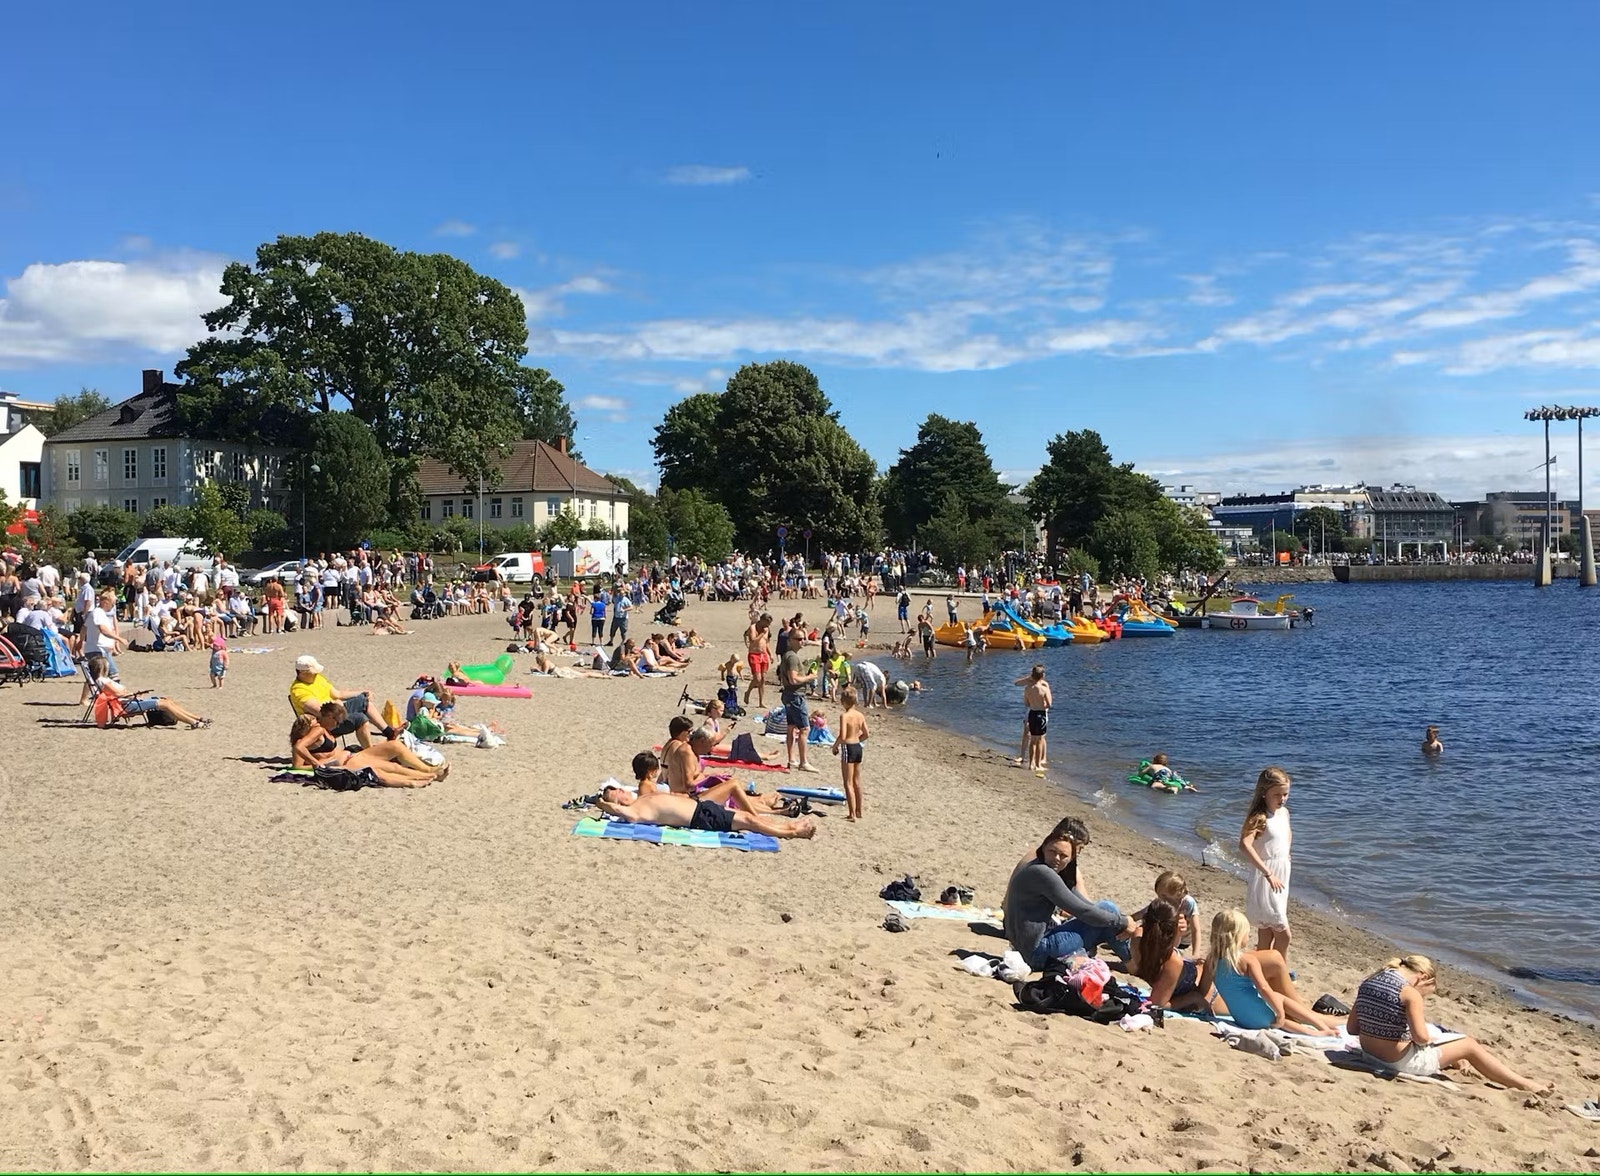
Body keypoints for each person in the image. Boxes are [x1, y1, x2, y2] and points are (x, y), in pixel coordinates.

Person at [1347, 954, 1548, 1091]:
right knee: (1469, 1044)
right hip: (1397, 1061)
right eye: (1427, 992)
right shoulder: (1409, 993)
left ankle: (1457, 1061)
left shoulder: (1369, 981)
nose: (1424, 997)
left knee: (1443, 1040)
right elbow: (1421, 1038)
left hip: (1369, 1054)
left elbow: (1352, 1028)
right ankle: (1524, 1085)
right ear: (1423, 978)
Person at [1002, 817, 1134, 970]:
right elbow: (1082, 911)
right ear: (1043, 848)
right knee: (1109, 909)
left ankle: (1133, 958)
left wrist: (1120, 920)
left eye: (1063, 856)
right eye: (1052, 852)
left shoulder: (1047, 869)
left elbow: (1084, 904)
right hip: (1035, 953)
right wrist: (1123, 921)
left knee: (1107, 911)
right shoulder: (1042, 873)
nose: (1056, 858)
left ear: (1072, 858)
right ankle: (1134, 962)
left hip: (1026, 946)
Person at [1198, 909, 1340, 1035]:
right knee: (1279, 1003)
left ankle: (1316, 1030)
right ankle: (1318, 1029)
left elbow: (1203, 990)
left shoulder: (1211, 961)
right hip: (1260, 1017)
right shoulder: (1248, 960)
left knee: (1277, 1018)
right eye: (1247, 934)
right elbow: (1264, 988)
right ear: (1239, 937)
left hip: (1241, 1019)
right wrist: (1279, 1012)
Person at [596, 784, 817, 839]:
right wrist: (604, 804)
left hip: (701, 807)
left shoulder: (641, 796)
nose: (621, 791)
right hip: (699, 818)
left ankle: (787, 826)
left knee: (748, 818)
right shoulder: (634, 811)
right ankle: (791, 832)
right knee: (749, 820)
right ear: (617, 804)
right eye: (617, 794)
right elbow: (617, 811)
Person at [289, 713, 443, 787]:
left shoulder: (321, 732)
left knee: (395, 746)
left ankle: (430, 771)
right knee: (391, 767)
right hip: (347, 762)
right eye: (314, 721)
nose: (317, 721)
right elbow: (297, 767)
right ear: (305, 728)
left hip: (353, 755)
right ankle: (422, 778)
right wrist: (318, 763)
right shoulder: (304, 741)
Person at [1239, 766, 1294, 957]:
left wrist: (1286, 852)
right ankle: (1278, 969)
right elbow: (1245, 845)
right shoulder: (1259, 818)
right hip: (1267, 874)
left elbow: (1287, 832)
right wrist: (1267, 872)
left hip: (1282, 872)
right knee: (1283, 934)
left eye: (1285, 794)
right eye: (1277, 795)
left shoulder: (1284, 813)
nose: (1282, 799)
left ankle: (1262, 967)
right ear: (1264, 793)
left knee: (1267, 931)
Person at [288, 654, 394, 748]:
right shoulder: (299, 690)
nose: (316, 674)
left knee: (363, 700)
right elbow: (321, 711)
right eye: (313, 672)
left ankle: (389, 732)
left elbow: (338, 694)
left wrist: (362, 692)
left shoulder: (317, 678)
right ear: (302, 673)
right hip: (327, 722)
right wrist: (336, 705)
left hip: (336, 711)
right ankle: (369, 751)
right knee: (361, 719)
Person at [87, 653, 212, 729]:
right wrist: (132, 693)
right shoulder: (103, 681)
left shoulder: (104, 680)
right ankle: (193, 722)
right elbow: (119, 694)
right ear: (102, 667)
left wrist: (132, 693)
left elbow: (119, 693)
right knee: (165, 704)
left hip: (130, 701)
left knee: (166, 700)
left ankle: (197, 718)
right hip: (127, 705)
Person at [1129, 898, 1212, 1012]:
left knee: (1201, 963)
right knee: (1210, 962)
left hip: (1182, 974)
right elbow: (1158, 1003)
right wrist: (1193, 998)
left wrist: (1177, 933)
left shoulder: (1137, 939)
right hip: (1198, 988)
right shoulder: (1172, 961)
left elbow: (1160, 945)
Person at [779, 629, 818, 773]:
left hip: (789, 694)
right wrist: (810, 677)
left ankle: (792, 759)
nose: (802, 641)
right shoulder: (792, 657)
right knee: (804, 728)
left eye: (803, 639)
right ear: (791, 640)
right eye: (799, 639)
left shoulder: (788, 655)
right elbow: (793, 679)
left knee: (791, 726)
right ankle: (803, 762)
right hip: (795, 695)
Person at [1134, 870, 1201, 952]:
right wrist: (1129, 920)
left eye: (1163, 895)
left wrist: (1196, 953)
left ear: (1178, 894)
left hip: (1182, 941)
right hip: (1166, 935)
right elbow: (1143, 912)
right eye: (1158, 895)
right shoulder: (1163, 901)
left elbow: (1196, 930)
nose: (1160, 898)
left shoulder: (1188, 903)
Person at [832, 685, 869, 821]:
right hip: (858, 747)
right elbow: (866, 734)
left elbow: (842, 735)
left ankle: (852, 813)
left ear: (844, 701)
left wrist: (835, 746)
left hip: (848, 747)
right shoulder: (860, 715)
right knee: (857, 781)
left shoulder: (845, 716)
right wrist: (857, 740)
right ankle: (859, 810)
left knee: (848, 782)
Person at [1014, 664, 1051, 774]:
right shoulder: (1042, 687)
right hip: (1040, 713)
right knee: (1037, 739)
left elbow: (1026, 702)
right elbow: (1049, 703)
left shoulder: (1028, 688)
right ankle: (1036, 764)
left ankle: (1034, 762)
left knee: (1035, 739)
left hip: (1032, 712)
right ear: (1042, 675)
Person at [744, 613, 773, 710]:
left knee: (763, 679)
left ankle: (761, 702)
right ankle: (748, 692)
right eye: (767, 623)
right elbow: (752, 640)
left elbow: (766, 643)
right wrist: (761, 634)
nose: (767, 626)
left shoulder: (767, 629)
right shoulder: (753, 627)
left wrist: (770, 654)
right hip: (754, 654)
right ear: (762, 620)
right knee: (757, 678)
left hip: (763, 654)